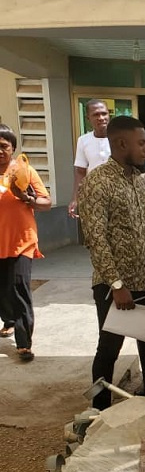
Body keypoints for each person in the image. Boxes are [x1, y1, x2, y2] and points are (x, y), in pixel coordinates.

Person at [78, 116, 145, 410]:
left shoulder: (138, 180)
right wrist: (117, 284)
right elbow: (95, 238)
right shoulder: (97, 182)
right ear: (121, 143)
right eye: (141, 144)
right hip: (114, 286)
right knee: (109, 349)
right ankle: (98, 409)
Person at [0, 125, 52, 361]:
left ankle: (24, 342)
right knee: (3, 288)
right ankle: (9, 320)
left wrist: (27, 198)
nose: (0, 151)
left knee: (20, 287)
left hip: (22, 240)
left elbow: (46, 203)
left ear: (12, 148)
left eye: (4, 146)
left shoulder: (25, 171)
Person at [68, 100, 111, 218]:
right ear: (88, 118)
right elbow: (80, 172)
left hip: (118, 195)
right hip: (94, 195)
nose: (101, 118)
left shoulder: (119, 139)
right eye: (96, 115)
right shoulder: (83, 140)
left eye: (104, 114)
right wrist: (75, 199)